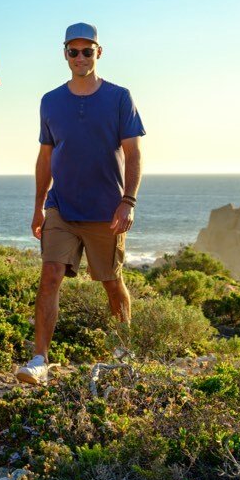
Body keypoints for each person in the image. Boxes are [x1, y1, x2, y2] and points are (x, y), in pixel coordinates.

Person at [18, 22, 145, 385]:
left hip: (107, 211)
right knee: (50, 276)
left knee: (111, 281)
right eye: (72, 51)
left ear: (98, 53)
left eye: (86, 51)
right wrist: (39, 205)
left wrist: (128, 201)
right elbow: (45, 158)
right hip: (62, 208)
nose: (79, 57)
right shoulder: (50, 100)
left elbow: (134, 153)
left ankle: (123, 354)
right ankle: (39, 359)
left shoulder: (120, 97)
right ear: (64, 54)